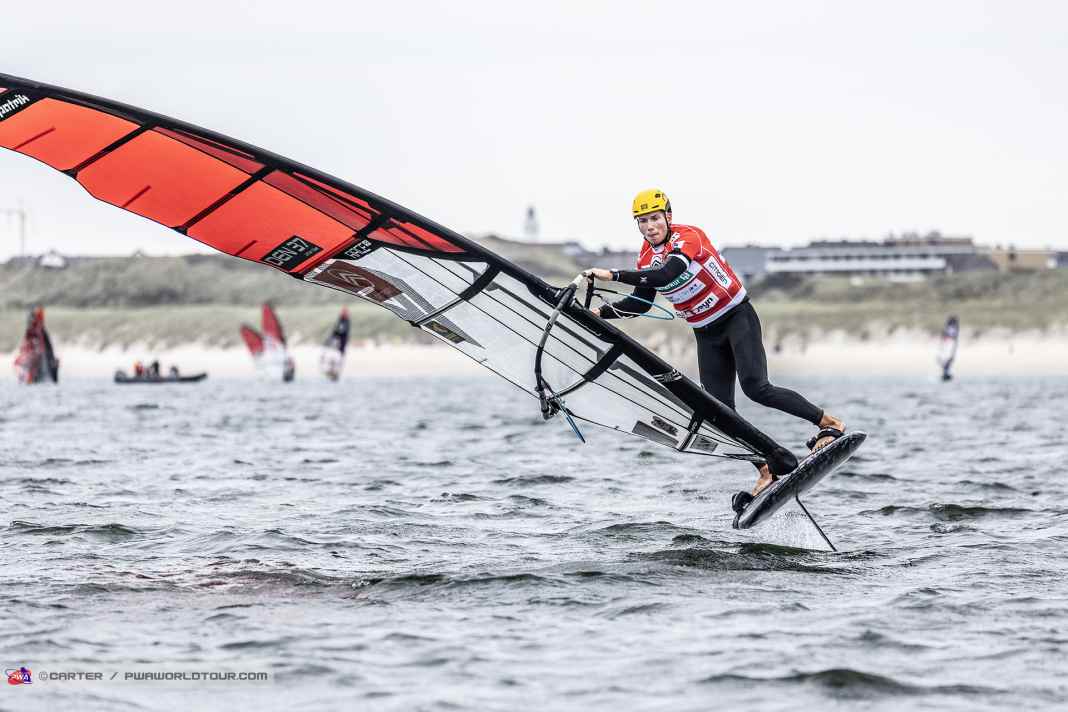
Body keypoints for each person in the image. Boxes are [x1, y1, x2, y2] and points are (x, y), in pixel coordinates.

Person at [584, 189, 846, 511]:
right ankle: (765, 467)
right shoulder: (645, 258)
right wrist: (598, 314)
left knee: (757, 388)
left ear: (667, 217)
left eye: (654, 218)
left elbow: (670, 273)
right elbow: (640, 303)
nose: (650, 226)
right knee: (720, 412)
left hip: (737, 317)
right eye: (643, 222)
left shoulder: (688, 237)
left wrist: (612, 275)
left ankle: (828, 424)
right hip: (706, 334)